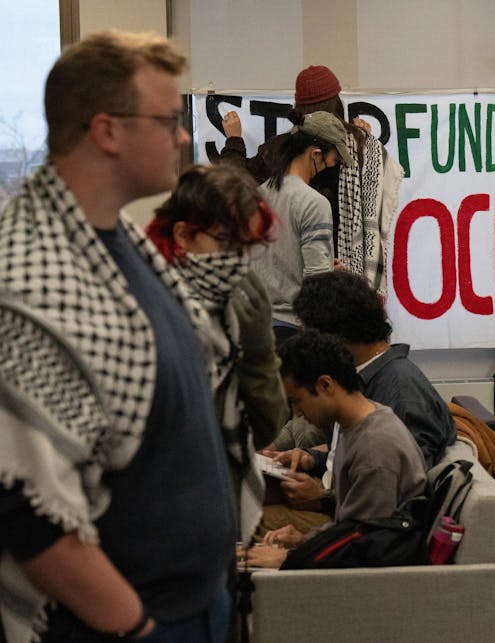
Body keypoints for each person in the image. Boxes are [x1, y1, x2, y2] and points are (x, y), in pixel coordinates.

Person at [0, 31, 235, 642]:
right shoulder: (29, 278)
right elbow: (24, 507)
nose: (183, 137)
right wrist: (134, 626)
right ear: (106, 131)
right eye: (167, 119)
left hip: (194, 602)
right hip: (117, 625)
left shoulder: (121, 244)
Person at [146, 163, 289, 542]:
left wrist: (259, 349)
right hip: (160, 521)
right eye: (226, 243)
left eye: (247, 247)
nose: (238, 259)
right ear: (182, 235)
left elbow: (264, 429)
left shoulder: (229, 312)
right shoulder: (148, 307)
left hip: (216, 514)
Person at [255, 270, 455, 536]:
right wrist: (312, 459)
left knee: (243, 519)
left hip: (350, 524)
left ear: (332, 338)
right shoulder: (368, 380)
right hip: (341, 507)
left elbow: (393, 502)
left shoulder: (399, 392)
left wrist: (322, 498)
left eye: (308, 336)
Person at [245, 331, 427, 568]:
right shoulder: (359, 425)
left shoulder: (375, 449)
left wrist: (290, 559)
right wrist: (305, 541)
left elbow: (365, 550)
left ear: (326, 385)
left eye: (297, 400)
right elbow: (350, 527)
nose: (297, 412)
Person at [219, 65, 403, 297]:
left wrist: (234, 139)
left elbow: (232, 183)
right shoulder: (362, 145)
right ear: (337, 103)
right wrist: (366, 137)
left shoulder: (280, 150)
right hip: (350, 285)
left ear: (300, 109)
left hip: (293, 285)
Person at [252, 109, 355, 346]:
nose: (333, 167)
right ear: (315, 154)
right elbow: (315, 284)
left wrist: (327, 267)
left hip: (258, 329)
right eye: (333, 161)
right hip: (294, 332)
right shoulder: (313, 203)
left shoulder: (258, 195)